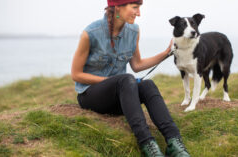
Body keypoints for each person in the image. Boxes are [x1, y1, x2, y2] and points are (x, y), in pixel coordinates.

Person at [71, 0, 190, 156]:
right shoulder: (90, 33)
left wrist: (166, 53)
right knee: (126, 79)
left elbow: (137, 64)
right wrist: (111, 82)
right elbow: (76, 74)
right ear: (118, 7)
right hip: (90, 96)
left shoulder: (134, 31)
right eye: (135, 8)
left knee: (148, 85)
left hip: (120, 95)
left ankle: (174, 143)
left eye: (139, 8)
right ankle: (148, 146)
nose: (139, 13)